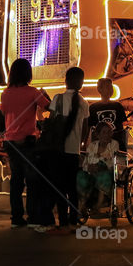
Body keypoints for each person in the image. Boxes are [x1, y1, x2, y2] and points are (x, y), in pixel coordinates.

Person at [0, 58, 50, 229]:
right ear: (28, 74)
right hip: (28, 140)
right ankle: (33, 216)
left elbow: (4, 112)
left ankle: (16, 217)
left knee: (16, 180)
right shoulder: (33, 92)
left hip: (10, 141)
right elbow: (49, 107)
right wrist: (45, 95)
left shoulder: (5, 93)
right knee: (32, 180)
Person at [46, 66, 90, 231]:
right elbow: (86, 128)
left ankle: (62, 220)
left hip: (57, 150)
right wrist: (80, 144)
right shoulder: (84, 103)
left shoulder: (57, 99)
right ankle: (73, 219)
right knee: (72, 186)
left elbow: (50, 122)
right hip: (73, 151)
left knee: (59, 186)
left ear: (66, 81)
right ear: (81, 83)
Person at [77, 122, 118, 213]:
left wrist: (99, 162)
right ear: (98, 135)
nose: (107, 135)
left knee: (102, 174)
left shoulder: (114, 144)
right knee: (80, 176)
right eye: (104, 132)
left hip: (106, 171)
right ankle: (81, 205)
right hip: (91, 171)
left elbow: (112, 161)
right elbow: (86, 162)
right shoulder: (92, 146)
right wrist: (90, 167)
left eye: (109, 132)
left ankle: (98, 205)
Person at [87, 78, 133, 151]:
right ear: (99, 89)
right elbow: (90, 127)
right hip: (100, 146)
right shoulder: (93, 108)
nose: (110, 90)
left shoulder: (118, 106)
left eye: (111, 87)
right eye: (107, 87)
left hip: (115, 144)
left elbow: (121, 127)